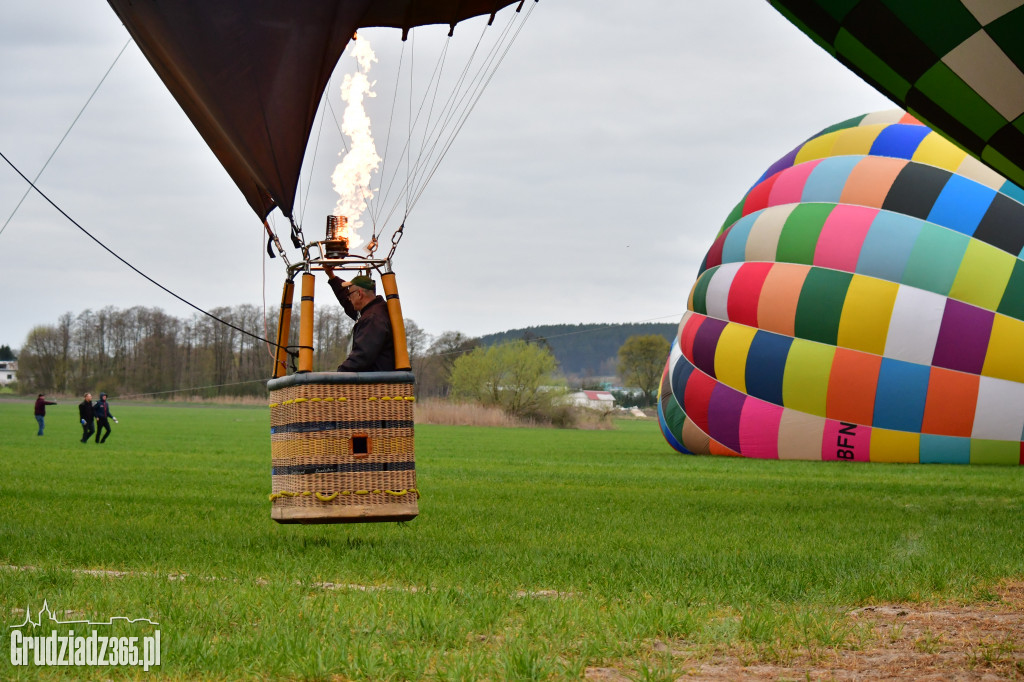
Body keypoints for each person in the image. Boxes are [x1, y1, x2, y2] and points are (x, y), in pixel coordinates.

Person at [323, 268, 395, 372]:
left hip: (375, 383)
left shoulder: (373, 319)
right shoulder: (373, 311)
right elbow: (347, 303)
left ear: (360, 294)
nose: (348, 298)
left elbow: (361, 357)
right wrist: (332, 276)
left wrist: (338, 376)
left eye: (350, 295)